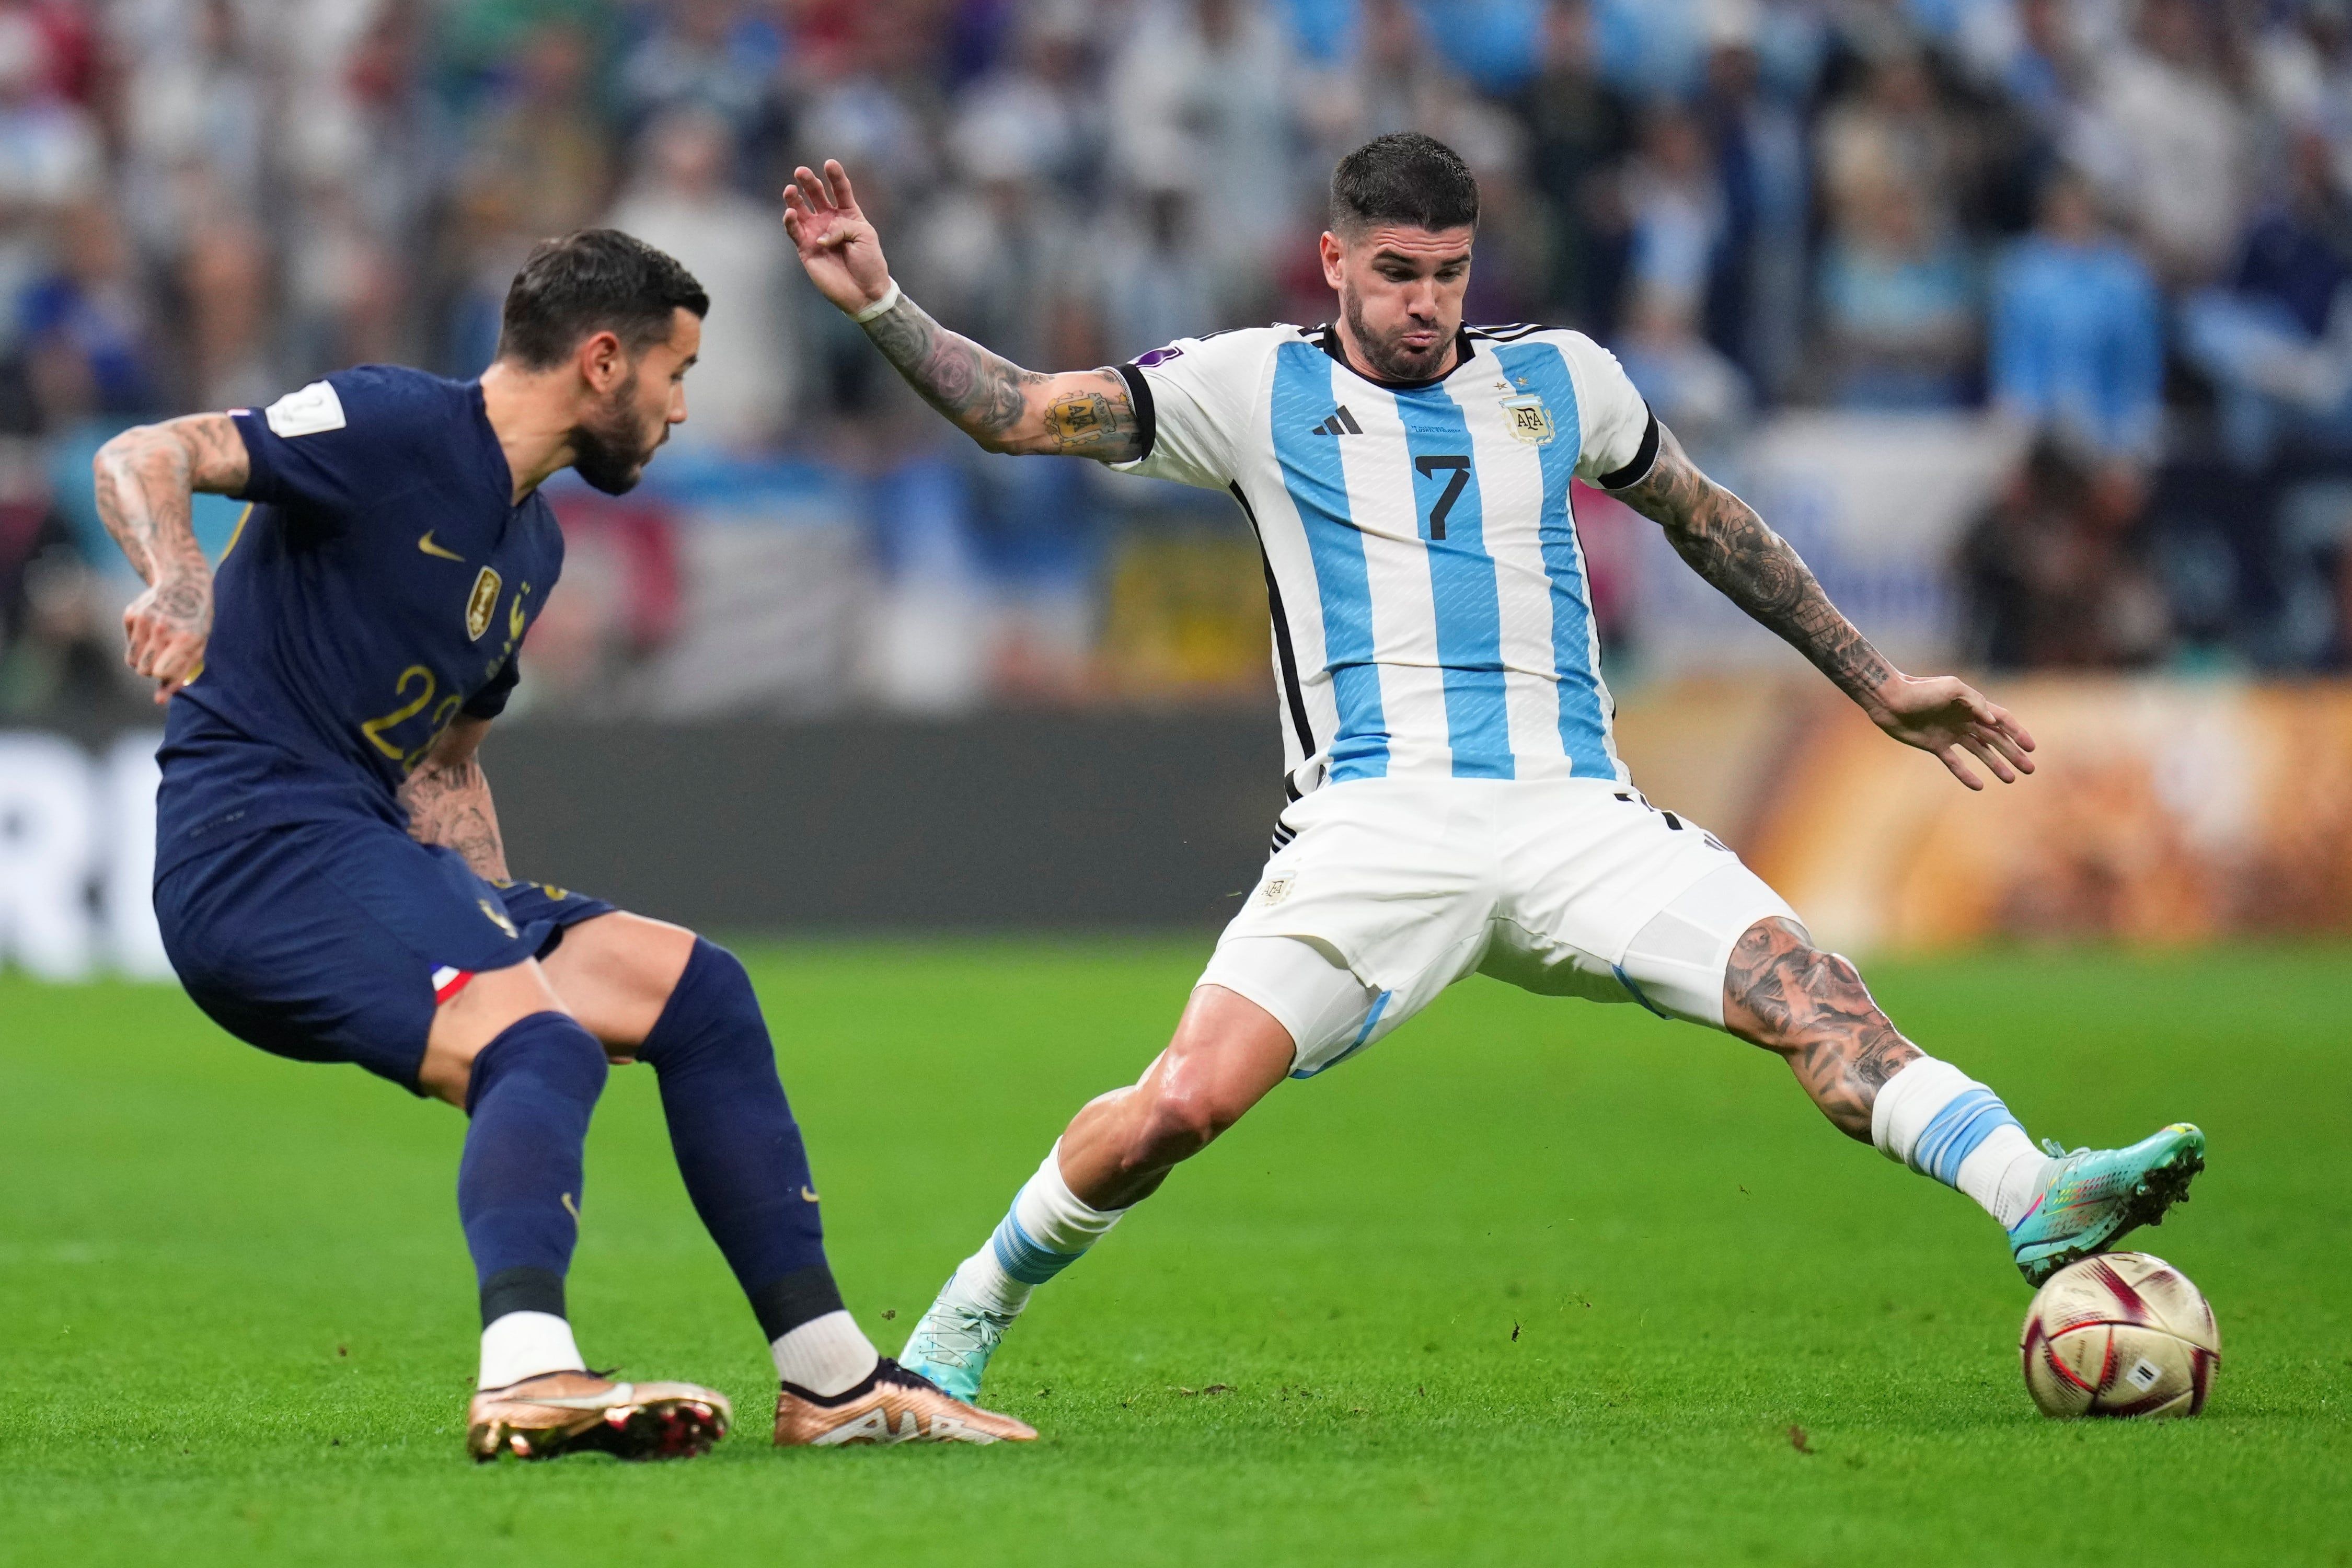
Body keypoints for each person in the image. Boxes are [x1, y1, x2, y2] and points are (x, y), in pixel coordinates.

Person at [781, 133, 2206, 1403]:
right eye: (1396, 272)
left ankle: (2033, 1189)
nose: (1423, 304)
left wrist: (1876, 681)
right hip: (1374, 829)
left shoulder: (1560, 379)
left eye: (1449, 274)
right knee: (1178, 1108)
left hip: (1572, 812)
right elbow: (1018, 410)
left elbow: (1707, 522)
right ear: (1333, 259)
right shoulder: (1244, 386)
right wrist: (882, 307)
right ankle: (966, 1319)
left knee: (1811, 997)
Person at [97, 229, 1032, 1456]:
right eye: (676, 373)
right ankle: (527, 1369)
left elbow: (444, 764)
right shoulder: (391, 425)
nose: (683, 410)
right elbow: (146, 449)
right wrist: (179, 579)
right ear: (604, 362)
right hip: (254, 853)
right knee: (540, 1046)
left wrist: (479, 926)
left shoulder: (529, 544)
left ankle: (836, 1384)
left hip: (373, 849)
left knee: (696, 993)